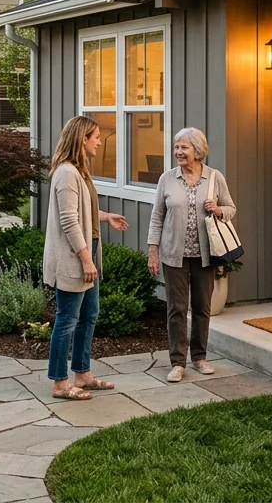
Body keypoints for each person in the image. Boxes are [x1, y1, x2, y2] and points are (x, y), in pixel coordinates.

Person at [44, 115, 129, 400]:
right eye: (95, 136)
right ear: (82, 139)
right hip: (74, 256)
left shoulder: (80, 171)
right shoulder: (67, 173)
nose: (99, 141)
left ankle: (82, 374)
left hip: (86, 251)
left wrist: (105, 217)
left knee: (89, 315)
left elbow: (82, 212)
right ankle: (59, 383)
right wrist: (86, 259)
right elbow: (69, 220)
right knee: (67, 318)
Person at [148, 127, 236, 383]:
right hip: (173, 254)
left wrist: (218, 209)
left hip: (204, 255)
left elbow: (231, 208)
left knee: (202, 308)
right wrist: (153, 250)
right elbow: (157, 217)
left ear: (198, 151)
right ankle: (177, 362)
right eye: (176, 147)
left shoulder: (214, 178)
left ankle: (199, 357)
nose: (178, 152)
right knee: (176, 308)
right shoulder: (167, 178)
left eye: (184, 147)